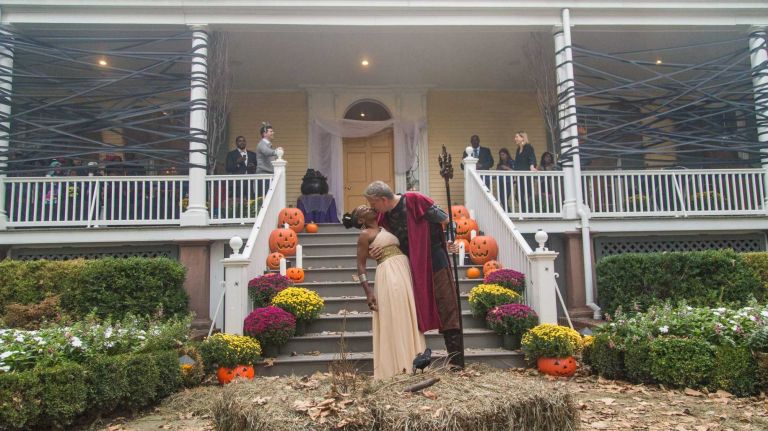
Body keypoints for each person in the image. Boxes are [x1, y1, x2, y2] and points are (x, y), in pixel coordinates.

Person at [364, 181, 465, 370]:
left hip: (434, 259)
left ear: (383, 199)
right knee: (411, 310)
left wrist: (450, 239)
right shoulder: (382, 216)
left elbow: (446, 220)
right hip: (408, 266)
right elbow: (374, 237)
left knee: (447, 306)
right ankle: (409, 358)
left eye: (373, 203)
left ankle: (456, 362)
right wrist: (373, 252)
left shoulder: (414, 200)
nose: (372, 208)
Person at [343, 205, 426, 379]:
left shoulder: (385, 225)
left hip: (404, 270)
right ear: (360, 220)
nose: (369, 207)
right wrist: (368, 292)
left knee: (406, 314)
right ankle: (397, 367)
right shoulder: (365, 235)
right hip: (389, 274)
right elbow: (361, 267)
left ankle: (413, 360)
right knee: (394, 315)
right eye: (363, 208)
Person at [513, 131, 537, 212]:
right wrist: (515, 176)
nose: (515, 139)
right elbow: (517, 163)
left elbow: (532, 158)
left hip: (526, 175)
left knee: (528, 194)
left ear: (522, 138)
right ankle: (525, 211)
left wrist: (532, 166)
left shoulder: (528, 147)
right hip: (519, 176)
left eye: (517, 137)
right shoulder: (518, 149)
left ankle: (530, 212)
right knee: (518, 195)